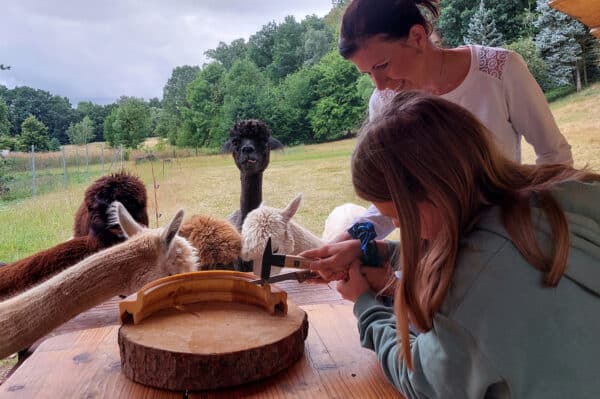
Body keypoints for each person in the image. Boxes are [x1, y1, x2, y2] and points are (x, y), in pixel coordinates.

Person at [301, 91, 600, 398]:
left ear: (431, 194)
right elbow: (490, 247)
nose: (400, 228)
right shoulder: (565, 195)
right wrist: (384, 252)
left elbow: (422, 381)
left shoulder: (472, 289)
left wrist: (365, 304)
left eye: (397, 216)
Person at [330, 0, 573, 242]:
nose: (379, 84)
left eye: (382, 66)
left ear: (417, 36)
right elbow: (394, 194)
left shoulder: (500, 71)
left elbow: (554, 156)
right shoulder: (383, 101)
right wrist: (353, 239)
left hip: (504, 238)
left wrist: (540, 227)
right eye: (368, 74)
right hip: (436, 250)